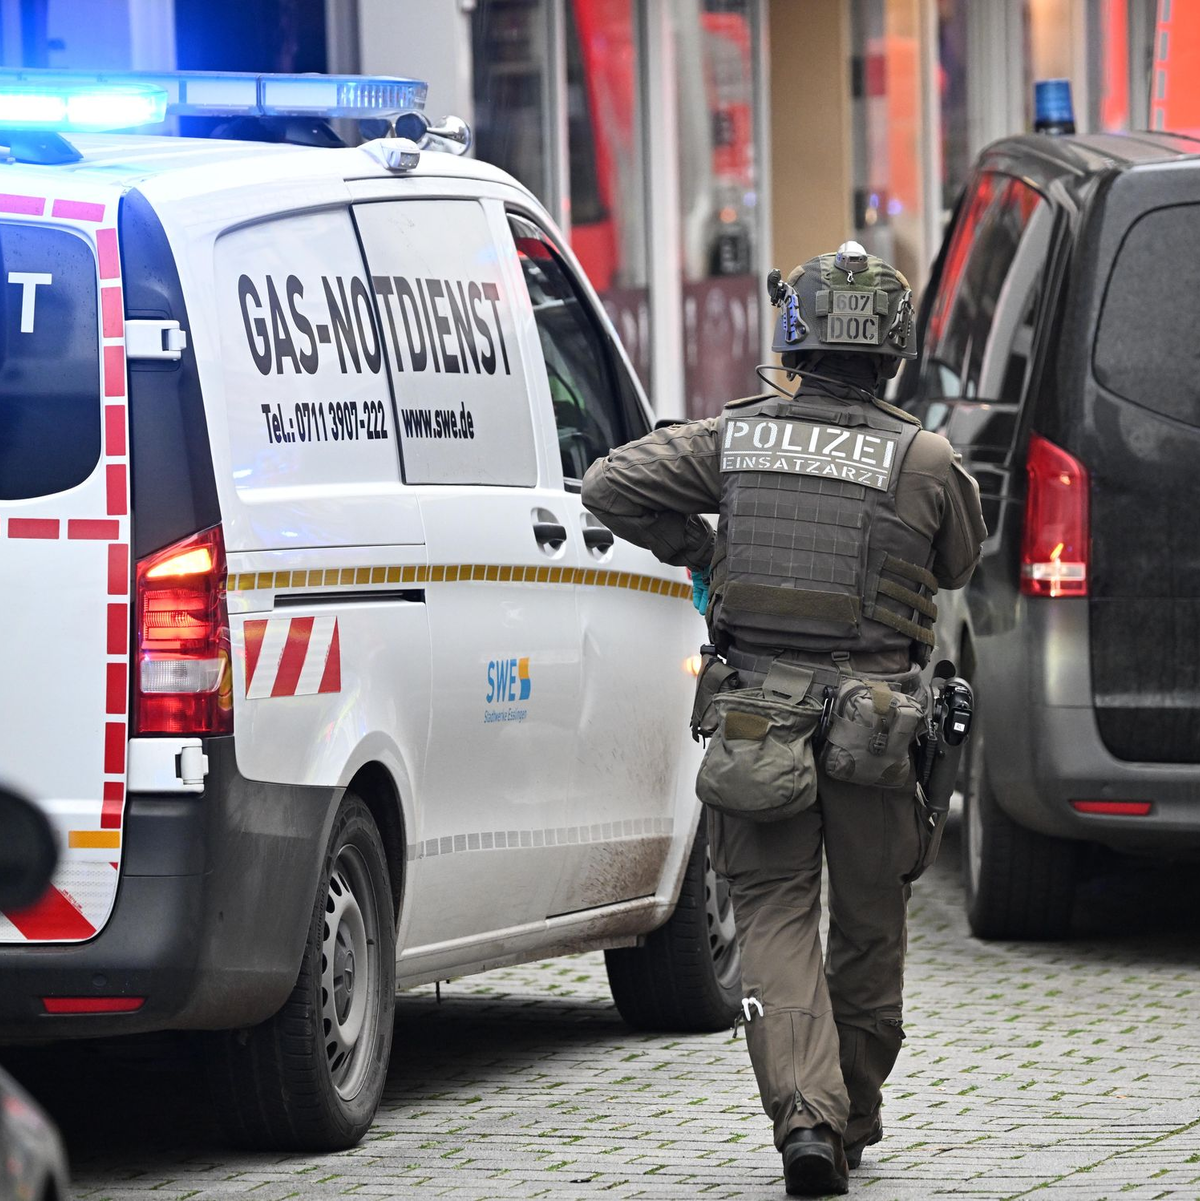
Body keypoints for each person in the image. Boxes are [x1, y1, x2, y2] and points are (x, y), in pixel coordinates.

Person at [581, 242, 987, 1196]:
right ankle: (852, 1105)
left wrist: (707, 549)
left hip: (756, 725)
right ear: (890, 351)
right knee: (871, 922)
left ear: (793, 337)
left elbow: (607, 486)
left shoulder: (734, 438)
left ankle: (805, 1119)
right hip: (878, 734)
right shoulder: (926, 458)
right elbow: (962, 562)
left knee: (770, 917)